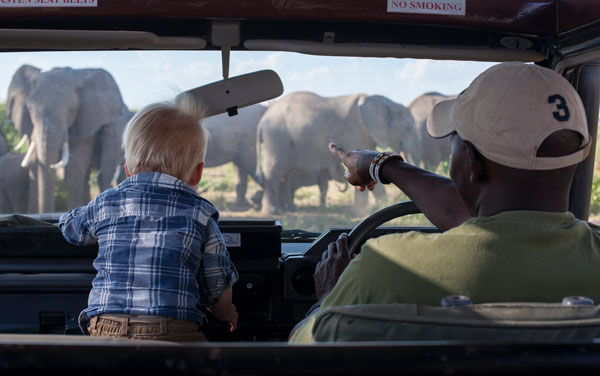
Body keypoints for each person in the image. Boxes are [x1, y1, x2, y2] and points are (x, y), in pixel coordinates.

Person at [288, 62, 600, 343]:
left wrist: (326, 300)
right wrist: (383, 164)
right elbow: (496, 211)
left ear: (471, 163)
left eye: (454, 143)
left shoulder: (383, 269)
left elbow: (301, 350)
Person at [59, 93, 238, 342]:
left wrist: (70, 217)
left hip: (105, 326)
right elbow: (217, 282)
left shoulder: (106, 203)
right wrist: (226, 312)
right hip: (174, 328)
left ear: (128, 170)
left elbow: (71, 229)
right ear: (198, 173)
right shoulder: (200, 213)